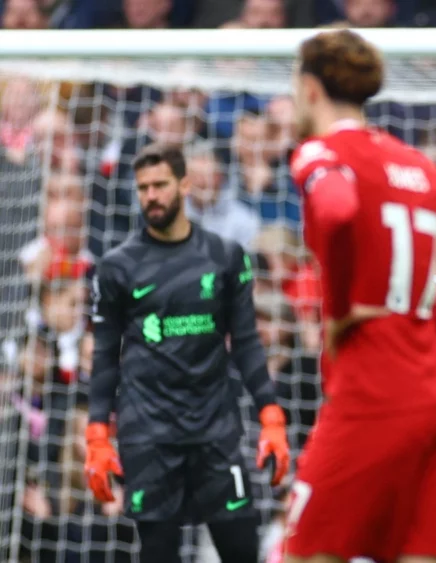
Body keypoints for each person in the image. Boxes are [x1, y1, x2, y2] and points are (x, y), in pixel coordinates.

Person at [284, 29, 436, 563]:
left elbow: (337, 209)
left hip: (372, 390)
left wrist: (341, 311)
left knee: (306, 551)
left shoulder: (319, 153)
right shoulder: (412, 163)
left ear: (311, 89)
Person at [84, 143, 290, 563]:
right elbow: (104, 356)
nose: (151, 196)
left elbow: (246, 341)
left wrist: (271, 414)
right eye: (143, 188)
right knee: (159, 552)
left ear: (184, 185)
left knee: (241, 550)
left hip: (215, 429)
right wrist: (96, 435)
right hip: (149, 434)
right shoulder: (118, 267)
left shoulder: (225, 256)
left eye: (160, 185)